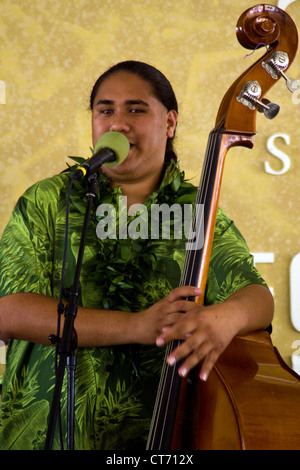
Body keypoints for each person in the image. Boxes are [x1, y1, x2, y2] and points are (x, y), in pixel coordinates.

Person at [0, 60, 274, 450]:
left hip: (160, 438)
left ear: (170, 123)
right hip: (47, 435)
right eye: (105, 109)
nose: (118, 124)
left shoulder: (198, 212)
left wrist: (224, 318)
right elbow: (8, 311)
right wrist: (138, 326)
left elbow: (257, 297)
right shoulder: (47, 201)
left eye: (135, 109)